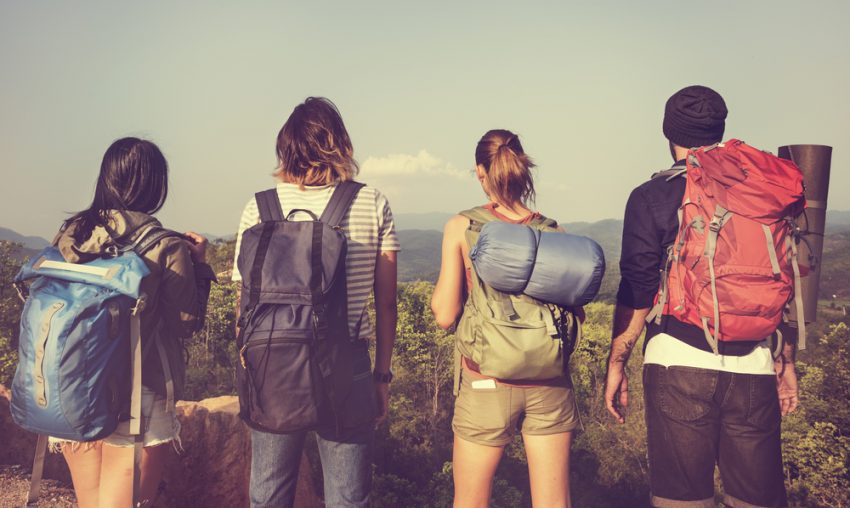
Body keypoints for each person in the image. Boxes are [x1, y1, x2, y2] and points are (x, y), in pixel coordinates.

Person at [604, 85, 799, 507]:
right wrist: (784, 359)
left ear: (667, 131)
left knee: (682, 500)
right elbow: (784, 276)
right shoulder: (762, 193)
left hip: (679, 361)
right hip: (755, 362)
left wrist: (616, 360)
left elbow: (637, 287)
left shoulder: (651, 196)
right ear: (720, 129)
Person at [232, 97, 399, 508]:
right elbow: (387, 304)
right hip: (347, 367)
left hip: (273, 367)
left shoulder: (259, 207)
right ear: (339, 144)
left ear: (285, 146)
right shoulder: (371, 203)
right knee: (347, 498)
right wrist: (382, 377)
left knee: (268, 494)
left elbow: (245, 306)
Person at [49, 137, 215, 507]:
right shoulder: (165, 245)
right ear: (155, 184)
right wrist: (200, 265)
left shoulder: (71, 234)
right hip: (139, 389)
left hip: (73, 380)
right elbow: (186, 322)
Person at [431, 129, 580, 508]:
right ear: (521, 169)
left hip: (486, 382)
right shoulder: (553, 230)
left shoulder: (461, 227)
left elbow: (445, 315)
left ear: (481, 172)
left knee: (470, 502)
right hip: (549, 383)